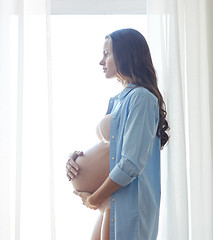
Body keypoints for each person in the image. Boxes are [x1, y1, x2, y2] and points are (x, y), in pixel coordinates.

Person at [66, 28, 169, 240]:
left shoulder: (142, 98)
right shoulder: (119, 100)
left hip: (126, 205)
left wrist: (94, 199)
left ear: (126, 55)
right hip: (111, 202)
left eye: (107, 53)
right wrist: (75, 159)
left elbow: (131, 162)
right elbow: (109, 151)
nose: (101, 61)